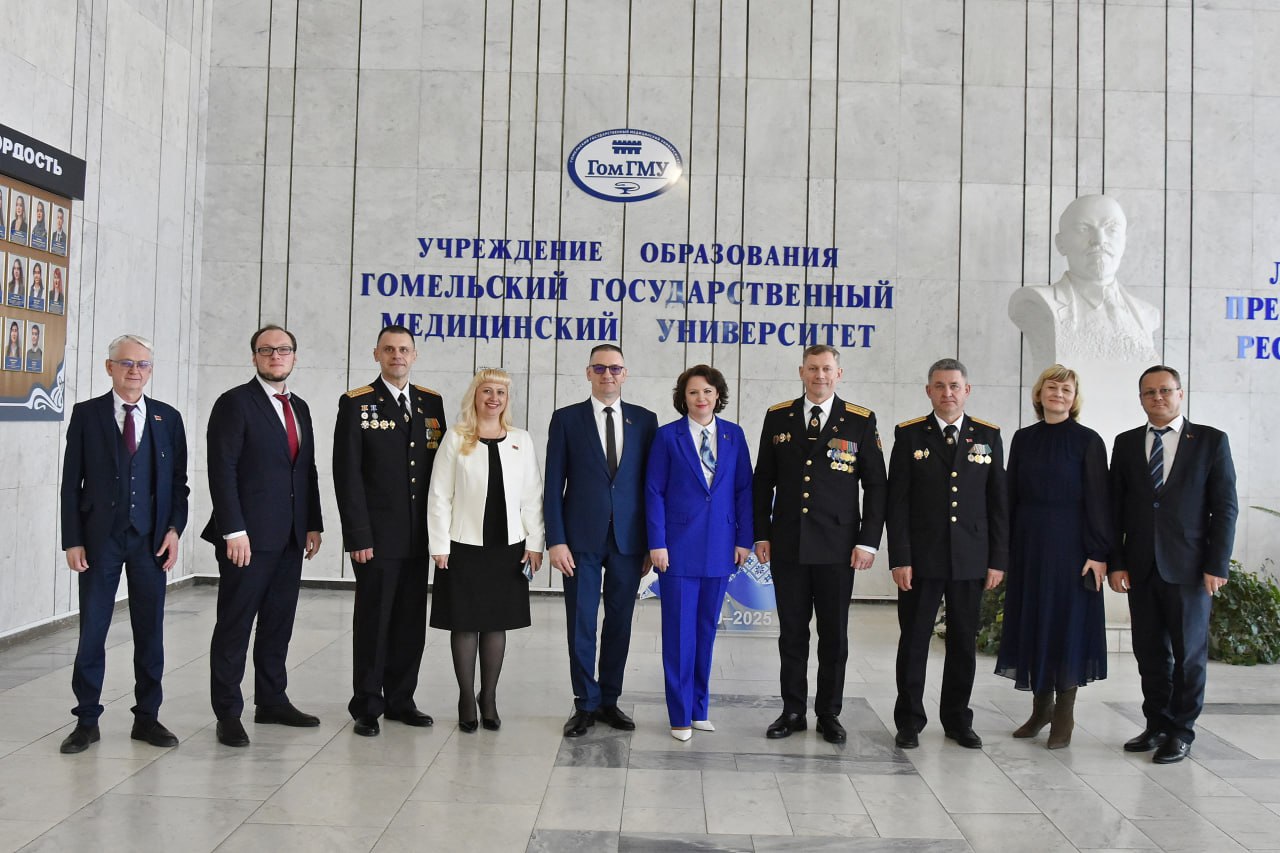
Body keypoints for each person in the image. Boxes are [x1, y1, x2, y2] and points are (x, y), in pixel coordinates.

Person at [58, 335, 189, 754]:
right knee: (93, 630)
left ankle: (147, 717)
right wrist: (73, 539)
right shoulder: (87, 414)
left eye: (143, 364)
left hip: (151, 541)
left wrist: (174, 529)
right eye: (127, 363)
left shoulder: (168, 418)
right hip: (100, 540)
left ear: (151, 370)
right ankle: (86, 720)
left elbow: (179, 484)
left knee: (149, 631)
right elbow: (70, 483)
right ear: (109, 367)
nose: (135, 371)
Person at [753, 344, 888, 744]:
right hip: (789, 545)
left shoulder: (860, 420)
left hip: (838, 547)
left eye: (827, 369)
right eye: (813, 368)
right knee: (792, 634)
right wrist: (762, 533)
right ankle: (793, 710)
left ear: (838, 374)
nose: (820, 375)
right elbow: (763, 481)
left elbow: (876, 486)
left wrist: (868, 542)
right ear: (802, 372)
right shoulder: (779, 416)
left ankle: (829, 712)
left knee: (834, 636)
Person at [1108, 365, 1237, 764]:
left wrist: (1217, 564)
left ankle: (1181, 731)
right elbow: (1115, 508)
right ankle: (1157, 724)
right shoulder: (1126, 443)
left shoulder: (1211, 440)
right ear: (1141, 399)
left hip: (1190, 568)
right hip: (1141, 567)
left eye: (1165, 390)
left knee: (1189, 656)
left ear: (1180, 393)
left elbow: (1225, 507)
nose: (1158, 397)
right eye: (1149, 392)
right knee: (1150, 655)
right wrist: (1117, 562)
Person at [202, 325, 324, 748]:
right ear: (254, 356)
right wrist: (233, 529)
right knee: (235, 626)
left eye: (283, 349)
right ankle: (228, 713)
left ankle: (272, 701)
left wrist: (312, 523)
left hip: (290, 536)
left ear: (294, 356)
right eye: (266, 350)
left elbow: (305, 470)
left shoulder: (299, 407)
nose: (276, 356)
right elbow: (222, 470)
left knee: (278, 624)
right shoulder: (235, 403)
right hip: (246, 539)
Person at [888, 358, 1008, 750]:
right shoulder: (909, 435)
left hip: (970, 558)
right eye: (939, 386)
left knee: (962, 642)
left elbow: (998, 504)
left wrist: (997, 560)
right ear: (929, 391)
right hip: (921, 560)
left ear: (966, 390)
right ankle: (909, 721)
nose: (947, 393)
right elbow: (897, 503)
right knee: (914, 641)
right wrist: (900, 557)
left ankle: (957, 720)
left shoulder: (988, 436)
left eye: (954, 386)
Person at [333, 325, 446, 737]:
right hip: (377, 538)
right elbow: (347, 474)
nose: (397, 355)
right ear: (376, 354)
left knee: (410, 623)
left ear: (414, 355)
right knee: (374, 621)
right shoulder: (357, 403)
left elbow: (439, 472)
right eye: (389, 349)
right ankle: (367, 704)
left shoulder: (431, 402)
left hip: (419, 537)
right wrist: (357, 534)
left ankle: (401, 699)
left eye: (404, 349)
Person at [544, 344, 658, 738]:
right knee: (581, 622)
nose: (607, 374)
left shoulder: (645, 421)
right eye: (599, 368)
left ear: (625, 374)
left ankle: (610, 698)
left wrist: (650, 542)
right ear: (588, 373)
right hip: (580, 541)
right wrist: (556, 540)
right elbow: (552, 484)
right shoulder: (566, 419)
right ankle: (585, 703)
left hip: (629, 540)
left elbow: (652, 487)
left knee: (620, 622)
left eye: (615, 368)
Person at [994, 365, 1110, 749]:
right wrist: (1004, 551)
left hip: (1072, 549)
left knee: (1066, 626)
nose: (1058, 393)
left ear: (1074, 398)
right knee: (1034, 622)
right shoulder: (1023, 439)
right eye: (1052, 387)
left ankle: (1064, 715)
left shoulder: (1088, 441)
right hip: (1030, 545)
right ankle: (1041, 708)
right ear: (1039, 393)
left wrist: (1098, 552)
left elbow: (1099, 500)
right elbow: (1010, 496)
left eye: (1066, 389)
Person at [428, 368, 544, 732]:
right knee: (464, 624)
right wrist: (439, 544)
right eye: (487, 391)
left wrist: (535, 542)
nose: (494, 398)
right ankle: (466, 697)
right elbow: (439, 495)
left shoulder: (521, 440)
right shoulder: (456, 437)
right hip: (463, 546)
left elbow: (532, 496)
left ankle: (488, 696)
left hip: (508, 547)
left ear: (507, 400)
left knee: (496, 624)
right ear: (475, 396)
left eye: (500, 393)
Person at [646, 364, 753, 741]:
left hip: (720, 547)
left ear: (718, 395)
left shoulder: (734, 435)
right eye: (693, 392)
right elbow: (654, 491)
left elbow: (744, 489)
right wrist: (657, 543)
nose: (701, 398)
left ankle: (699, 709)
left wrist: (744, 540)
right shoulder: (667, 436)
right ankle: (679, 716)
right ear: (683, 398)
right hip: (677, 550)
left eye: (708, 391)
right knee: (679, 635)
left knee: (706, 631)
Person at [1008, 194, 1160, 372]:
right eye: (1083, 229)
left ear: (1124, 241)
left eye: (1112, 229)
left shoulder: (1147, 313)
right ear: (1061, 243)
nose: (1099, 240)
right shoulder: (1035, 302)